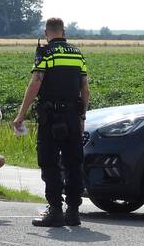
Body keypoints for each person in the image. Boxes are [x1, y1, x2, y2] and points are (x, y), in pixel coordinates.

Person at [12, 17, 89, 227]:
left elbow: (36, 82)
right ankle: (73, 211)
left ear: (47, 33)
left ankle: (55, 210)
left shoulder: (45, 52)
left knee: (50, 163)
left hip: (51, 118)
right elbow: (85, 89)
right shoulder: (77, 54)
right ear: (63, 32)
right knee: (74, 163)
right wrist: (82, 117)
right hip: (73, 117)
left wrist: (21, 115)